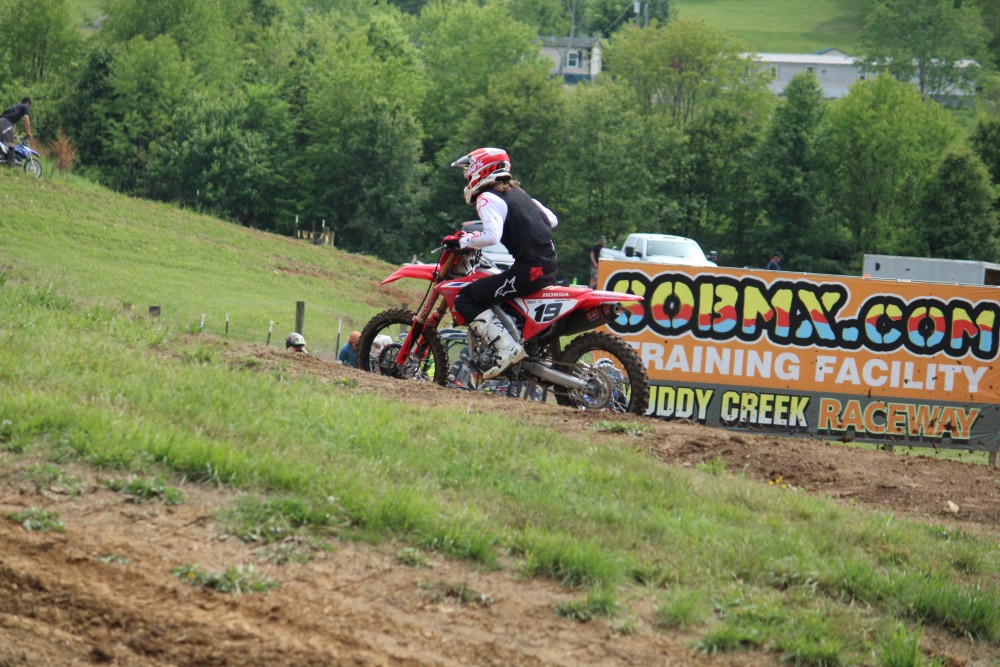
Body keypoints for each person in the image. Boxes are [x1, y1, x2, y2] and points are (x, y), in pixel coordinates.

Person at [445, 147, 559, 380]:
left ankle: (506, 349)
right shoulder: (520, 193)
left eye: (468, 171)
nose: (467, 177)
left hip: (529, 270)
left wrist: (462, 241)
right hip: (548, 267)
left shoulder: (487, 198)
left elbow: (491, 236)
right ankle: (521, 345)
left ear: (480, 169)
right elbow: (552, 220)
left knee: (466, 298)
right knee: (501, 295)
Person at [0, 97, 32, 162]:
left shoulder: (16, 106)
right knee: (10, 142)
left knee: (2, 141)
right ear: (27, 103)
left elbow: (13, 123)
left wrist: (13, 134)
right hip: (6, 122)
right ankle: (11, 163)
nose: (29, 107)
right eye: (30, 105)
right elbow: (26, 120)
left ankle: (2, 158)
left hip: (2, 120)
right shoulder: (25, 107)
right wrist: (28, 132)